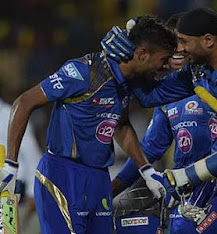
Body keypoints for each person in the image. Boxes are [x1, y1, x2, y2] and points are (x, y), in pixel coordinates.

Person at [102, 7, 217, 234]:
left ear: (208, 41)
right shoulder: (199, 73)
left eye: (183, 41)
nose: (178, 49)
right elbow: (149, 96)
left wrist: (185, 175)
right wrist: (127, 53)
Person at [1, 16, 177, 234]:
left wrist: (146, 169)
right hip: (63, 175)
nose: (164, 67)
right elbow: (25, 101)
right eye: (163, 59)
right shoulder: (84, 71)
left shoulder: (126, 82)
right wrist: (11, 164)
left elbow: (120, 126)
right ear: (142, 54)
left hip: (99, 178)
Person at [112, 13, 217, 233]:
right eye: (172, 45)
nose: (178, 50)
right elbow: (150, 147)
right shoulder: (170, 93)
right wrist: (116, 186)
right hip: (186, 192)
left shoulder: (214, 80)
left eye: (182, 43)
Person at [0, 97, 42, 233]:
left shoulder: (10, 114)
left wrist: (33, 193)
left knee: (9, 232)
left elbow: (32, 153)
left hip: (9, 190)